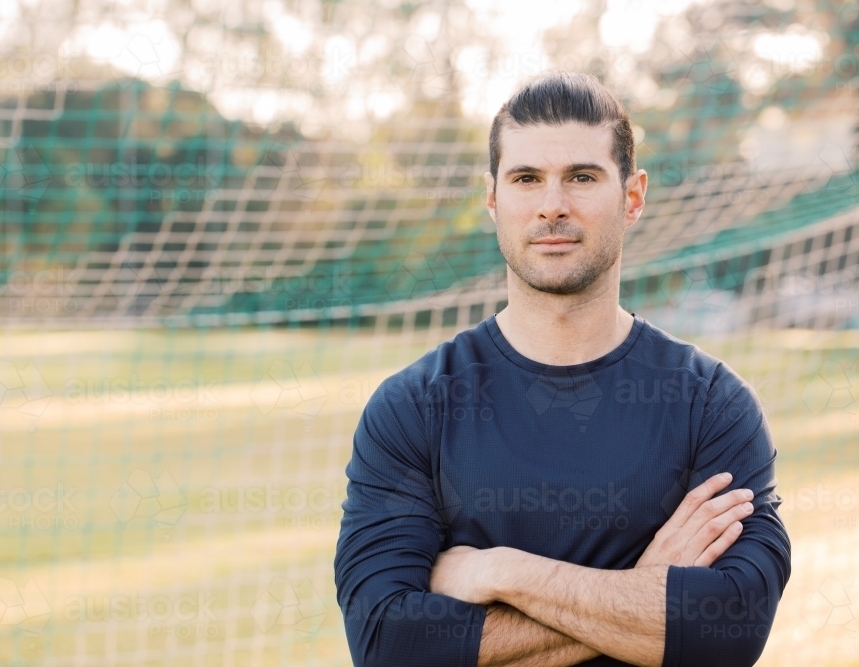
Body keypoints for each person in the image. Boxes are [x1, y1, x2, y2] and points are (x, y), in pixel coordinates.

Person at [333, 72, 791, 667]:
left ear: (633, 196)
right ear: (494, 198)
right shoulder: (415, 406)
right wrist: (644, 588)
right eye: (527, 179)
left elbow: (730, 628)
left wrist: (501, 571)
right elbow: (389, 643)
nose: (553, 205)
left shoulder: (711, 404)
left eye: (582, 176)